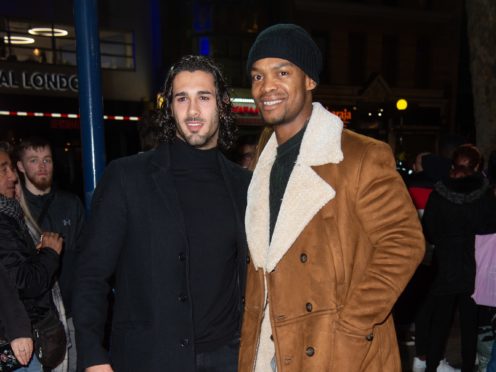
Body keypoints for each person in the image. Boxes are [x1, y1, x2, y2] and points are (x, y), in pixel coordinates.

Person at [239, 23, 425, 372]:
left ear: (309, 80)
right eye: (257, 76)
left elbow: (404, 243)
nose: (267, 87)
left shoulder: (358, 156)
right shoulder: (262, 163)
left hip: (335, 350)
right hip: (271, 350)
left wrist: (354, 325)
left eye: (282, 72)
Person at [73, 55, 251, 372]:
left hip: (229, 359)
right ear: (169, 106)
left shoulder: (245, 185)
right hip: (149, 359)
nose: (193, 111)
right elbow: (90, 274)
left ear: (222, 104)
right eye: (182, 98)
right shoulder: (127, 177)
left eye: (204, 97)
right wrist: (92, 355)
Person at [422, 144, 496, 372]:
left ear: (453, 164)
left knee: (440, 321)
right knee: (469, 323)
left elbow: (429, 230)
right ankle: (466, 367)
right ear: (477, 166)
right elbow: (489, 225)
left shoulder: (439, 192)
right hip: (472, 265)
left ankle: (431, 366)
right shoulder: (483, 194)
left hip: (445, 264)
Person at [15, 137, 85, 372]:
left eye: (47, 160)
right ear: (21, 166)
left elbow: (85, 257)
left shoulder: (70, 203)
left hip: (71, 314)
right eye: (33, 161)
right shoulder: (14, 208)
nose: (42, 166)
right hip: (36, 319)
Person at [0, 141, 64, 372]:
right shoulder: (4, 221)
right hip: (15, 344)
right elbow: (21, 283)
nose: (12, 177)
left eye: (47, 160)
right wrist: (49, 253)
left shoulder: (10, 214)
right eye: (3, 169)